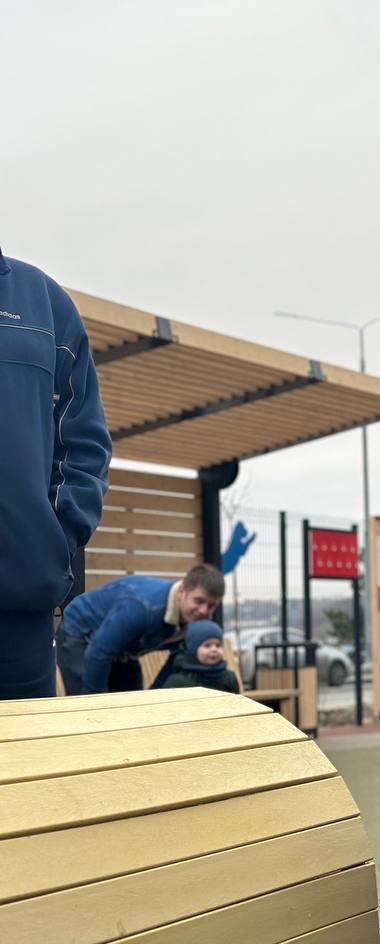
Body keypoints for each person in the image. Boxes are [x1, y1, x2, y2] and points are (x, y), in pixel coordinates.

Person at [0, 247, 111, 700]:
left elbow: (84, 443)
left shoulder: (42, 302)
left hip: (18, 611)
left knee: (24, 746)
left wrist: (51, 545)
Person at [57, 564, 225, 694]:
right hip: (82, 632)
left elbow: (173, 664)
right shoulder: (142, 608)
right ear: (182, 592)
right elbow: (98, 653)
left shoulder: (193, 621)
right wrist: (97, 705)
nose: (203, 611)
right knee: (88, 704)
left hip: (125, 646)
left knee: (134, 704)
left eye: (211, 606)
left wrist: (153, 699)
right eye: (198, 601)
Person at [160, 619, 241, 694]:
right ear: (193, 650)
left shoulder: (229, 678)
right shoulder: (177, 681)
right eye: (207, 645)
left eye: (218, 645)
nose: (214, 649)